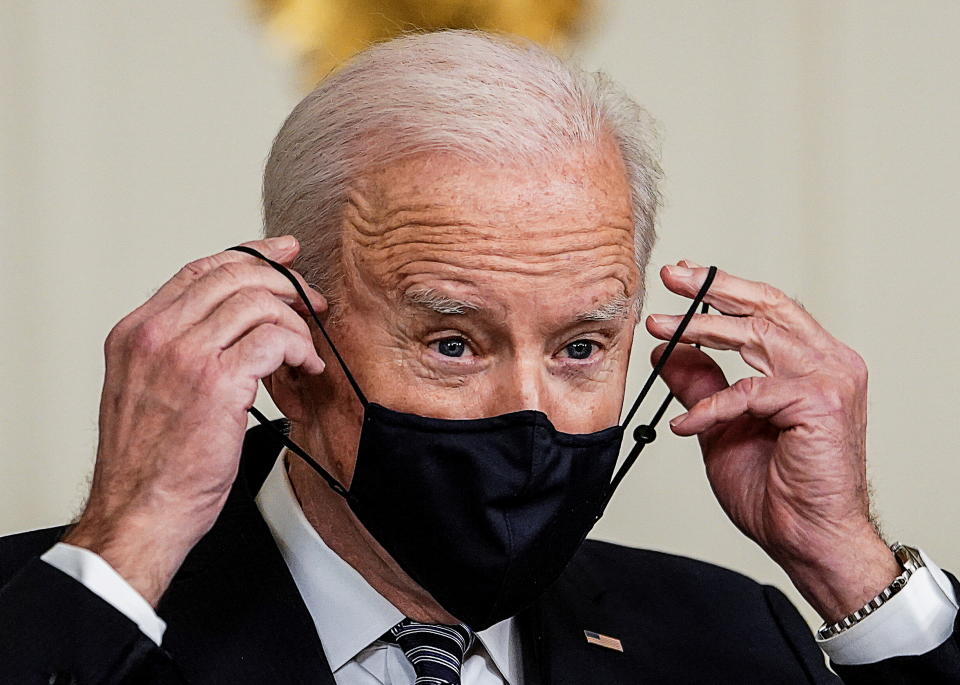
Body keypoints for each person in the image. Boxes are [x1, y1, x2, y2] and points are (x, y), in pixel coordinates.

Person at [1, 30, 957, 685]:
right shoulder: (61, 612)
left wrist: (849, 566)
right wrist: (129, 545)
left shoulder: (735, 637)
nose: (531, 412)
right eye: (454, 343)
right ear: (291, 351)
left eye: (583, 345)